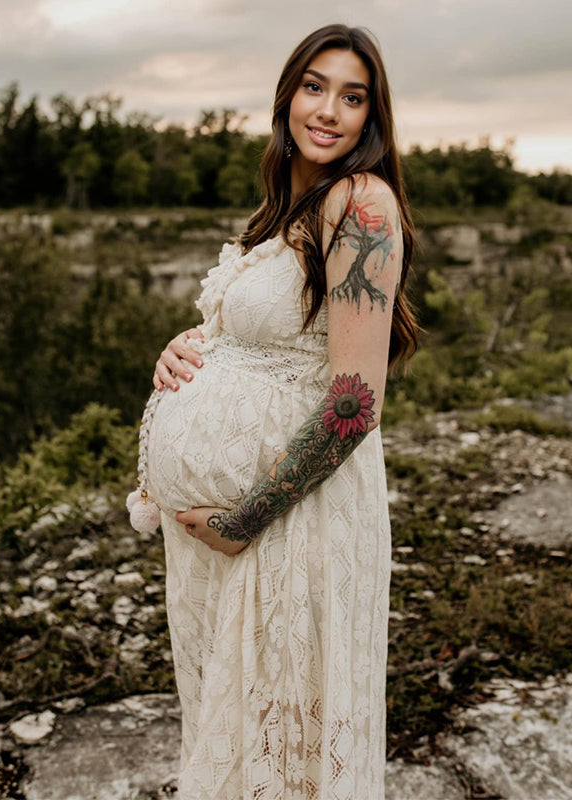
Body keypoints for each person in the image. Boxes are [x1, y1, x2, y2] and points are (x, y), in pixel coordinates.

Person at [144, 23, 417, 800]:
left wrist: (245, 519)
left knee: (287, 741)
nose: (329, 110)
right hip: (226, 541)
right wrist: (186, 348)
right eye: (314, 87)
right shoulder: (283, 209)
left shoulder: (361, 206)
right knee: (235, 728)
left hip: (291, 522)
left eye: (352, 97)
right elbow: (264, 335)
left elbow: (355, 405)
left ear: (371, 118)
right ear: (287, 95)